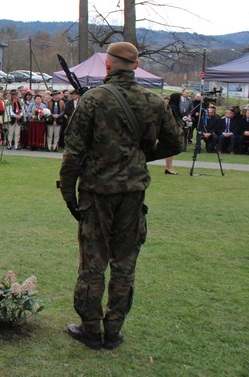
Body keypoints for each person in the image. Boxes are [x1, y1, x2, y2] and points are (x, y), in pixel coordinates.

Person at [59, 42, 182, 350]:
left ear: (108, 66)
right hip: (132, 193)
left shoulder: (94, 99)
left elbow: (73, 152)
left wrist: (67, 190)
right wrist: (141, 156)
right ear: (136, 66)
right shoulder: (153, 101)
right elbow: (176, 141)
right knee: (125, 263)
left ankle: (90, 328)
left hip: (97, 192)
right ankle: (113, 329)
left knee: (93, 262)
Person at [164, 93, 184, 174]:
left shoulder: (174, 107)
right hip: (170, 130)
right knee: (170, 149)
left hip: (173, 130)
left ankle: (170, 167)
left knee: (171, 150)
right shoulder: (172, 108)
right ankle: (168, 168)